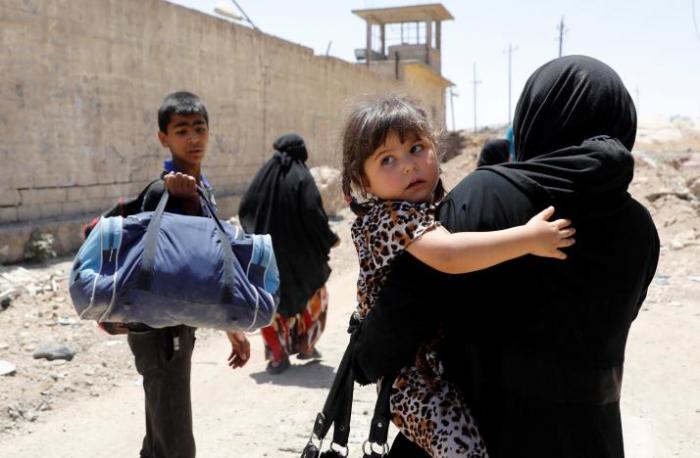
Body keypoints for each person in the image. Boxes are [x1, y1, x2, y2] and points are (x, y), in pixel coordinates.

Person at [352, 56, 660, 458]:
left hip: (482, 433)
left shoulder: (487, 195)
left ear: (535, 116)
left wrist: (361, 355)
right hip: (590, 440)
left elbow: (396, 327)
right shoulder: (640, 229)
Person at [340, 95, 576, 457]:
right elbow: (450, 255)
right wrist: (529, 239)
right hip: (413, 383)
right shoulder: (392, 217)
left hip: (427, 368)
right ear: (362, 181)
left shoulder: (418, 208)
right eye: (387, 159)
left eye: (417, 148)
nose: (408, 166)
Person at [127, 91, 251, 458]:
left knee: (163, 438)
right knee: (175, 443)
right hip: (159, 333)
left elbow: (209, 265)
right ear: (163, 138)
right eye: (182, 130)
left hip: (175, 326)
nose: (194, 138)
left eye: (200, 128)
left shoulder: (199, 188)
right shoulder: (163, 192)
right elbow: (180, 268)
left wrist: (231, 328)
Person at [238, 133, 339, 374]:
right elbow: (313, 213)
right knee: (313, 293)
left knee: (270, 300)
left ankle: (277, 355)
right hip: (301, 257)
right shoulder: (302, 176)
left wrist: (254, 236)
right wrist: (329, 238)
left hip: (268, 254)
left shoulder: (264, 175)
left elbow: (245, 208)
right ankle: (305, 344)